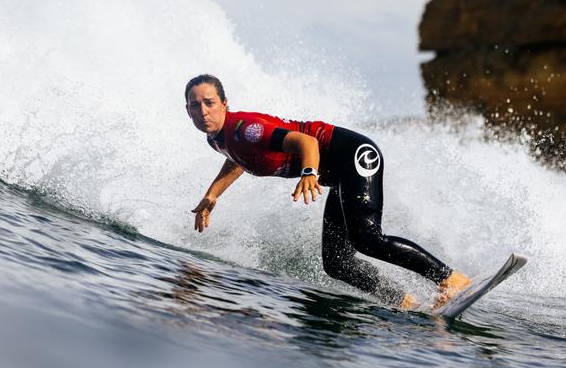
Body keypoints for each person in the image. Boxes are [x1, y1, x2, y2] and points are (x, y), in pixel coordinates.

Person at [185, 74, 470, 309]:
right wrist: (213, 195)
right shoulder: (218, 138)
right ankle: (405, 301)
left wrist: (309, 172)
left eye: (209, 103)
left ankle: (450, 279)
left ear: (224, 104)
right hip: (341, 175)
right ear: (188, 111)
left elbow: (306, 142)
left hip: (355, 155)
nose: (203, 111)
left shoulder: (247, 129)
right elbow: (239, 159)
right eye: (195, 105)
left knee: (368, 238)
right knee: (336, 262)